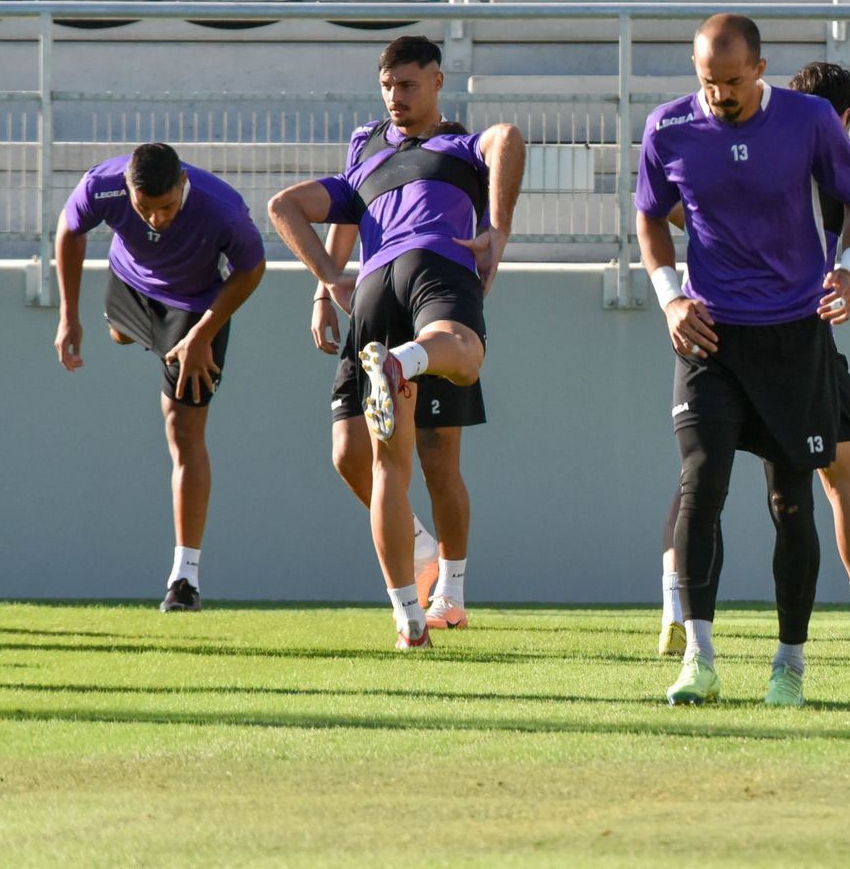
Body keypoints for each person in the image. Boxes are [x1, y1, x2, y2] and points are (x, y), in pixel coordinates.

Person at [639, 15, 850, 707]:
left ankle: (790, 664)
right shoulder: (668, 128)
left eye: (734, 81)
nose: (720, 95)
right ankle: (700, 658)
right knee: (701, 482)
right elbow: (651, 216)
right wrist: (669, 298)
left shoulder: (808, 121)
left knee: (792, 500)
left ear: (761, 67)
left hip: (793, 336)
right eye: (708, 81)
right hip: (709, 335)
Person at [269, 36, 526, 650]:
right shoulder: (367, 147)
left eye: (407, 86)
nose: (395, 98)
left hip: (423, 271)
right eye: (387, 87)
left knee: (431, 457)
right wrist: (325, 285)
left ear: (438, 81)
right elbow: (313, 210)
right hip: (384, 286)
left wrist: (495, 229)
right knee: (364, 450)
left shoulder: (460, 146)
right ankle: (416, 596)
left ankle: (439, 605)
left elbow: (508, 139)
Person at [54, 142, 266, 611]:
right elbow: (70, 230)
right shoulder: (102, 187)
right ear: (127, 190)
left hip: (193, 309)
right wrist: (69, 315)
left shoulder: (221, 209)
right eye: (144, 208)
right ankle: (133, 333)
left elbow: (252, 269)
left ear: (183, 185)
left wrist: (203, 335)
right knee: (119, 335)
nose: (155, 219)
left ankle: (184, 580)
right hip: (129, 287)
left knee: (182, 429)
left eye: (166, 207)